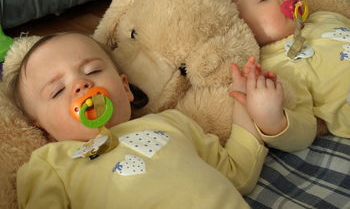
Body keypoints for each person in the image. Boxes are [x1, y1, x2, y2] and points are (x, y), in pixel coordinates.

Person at [4, 32, 268, 209]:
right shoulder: (52, 162)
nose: (81, 85)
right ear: (41, 127)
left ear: (125, 88)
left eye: (92, 71)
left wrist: (246, 105)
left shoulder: (172, 123)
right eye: (57, 91)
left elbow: (237, 173)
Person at [213, 0, 350, 152]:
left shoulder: (325, 18)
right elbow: (303, 133)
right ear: (240, 24)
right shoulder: (279, 68)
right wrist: (273, 120)